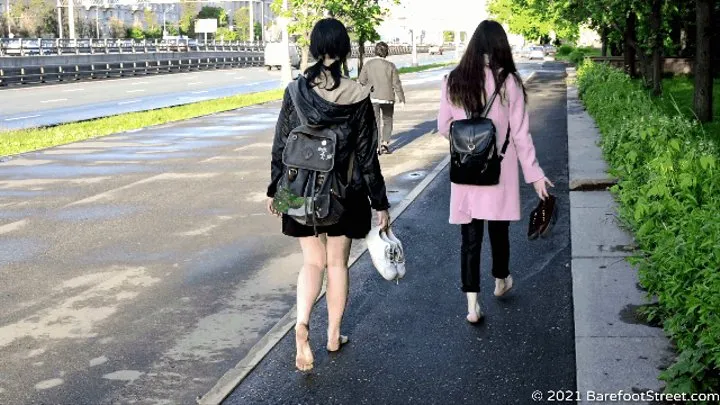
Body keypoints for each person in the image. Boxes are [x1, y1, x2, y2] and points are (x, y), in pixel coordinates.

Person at [266, 18, 391, 371]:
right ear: (345, 48)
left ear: (313, 46)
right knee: (337, 264)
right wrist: (380, 203)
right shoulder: (358, 95)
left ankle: (302, 322)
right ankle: (333, 335)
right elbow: (367, 156)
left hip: (297, 190)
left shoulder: (294, 91)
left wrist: (275, 190)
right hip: (345, 192)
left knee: (311, 262)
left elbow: (281, 145)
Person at [437, 20, 554, 323]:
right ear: (501, 45)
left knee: (470, 238)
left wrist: (468, 141)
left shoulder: (453, 79)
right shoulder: (509, 82)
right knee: (499, 231)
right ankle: (501, 280)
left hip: (466, 172)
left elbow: (442, 127)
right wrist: (536, 176)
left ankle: (471, 305)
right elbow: (521, 134)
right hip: (499, 169)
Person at [358, 41, 406, 155]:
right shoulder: (391, 66)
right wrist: (401, 98)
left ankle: (377, 147)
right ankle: (385, 144)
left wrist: (369, 87)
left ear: (375, 51)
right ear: (387, 52)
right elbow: (396, 83)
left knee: (375, 122)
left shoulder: (368, 64)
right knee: (388, 120)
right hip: (388, 98)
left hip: (373, 97)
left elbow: (361, 80)